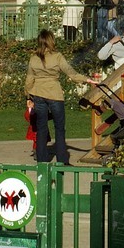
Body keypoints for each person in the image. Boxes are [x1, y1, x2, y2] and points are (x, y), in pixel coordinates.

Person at [25, 30, 99, 165]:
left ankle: (41, 162)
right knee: (59, 128)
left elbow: (29, 79)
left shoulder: (33, 58)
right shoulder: (57, 56)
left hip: (38, 95)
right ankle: (62, 161)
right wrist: (87, 80)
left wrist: (28, 97)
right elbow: (71, 73)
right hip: (54, 95)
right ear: (51, 41)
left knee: (41, 128)